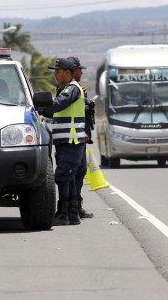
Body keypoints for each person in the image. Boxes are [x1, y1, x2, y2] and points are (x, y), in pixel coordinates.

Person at [39, 58, 87, 226]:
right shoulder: (66, 89)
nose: (55, 74)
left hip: (71, 141)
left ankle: (63, 214)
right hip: (65, 142)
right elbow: (54, 112)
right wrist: (41, 111)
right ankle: (72, 214)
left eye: (57, 71)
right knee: (68, 177)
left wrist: (40, 106)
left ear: (67, 72)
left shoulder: (72, 89)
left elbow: (59, 104)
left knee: (62, 177)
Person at [66, 56, 94, 219]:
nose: (81, 73)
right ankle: (70, 208)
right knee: (73, 172)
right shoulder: (69, 89)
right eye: (79, 70)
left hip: (80, 137)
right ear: (72, 71)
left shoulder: (77, 89)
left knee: (80, 171)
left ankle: (76, 206)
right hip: (72, 138)